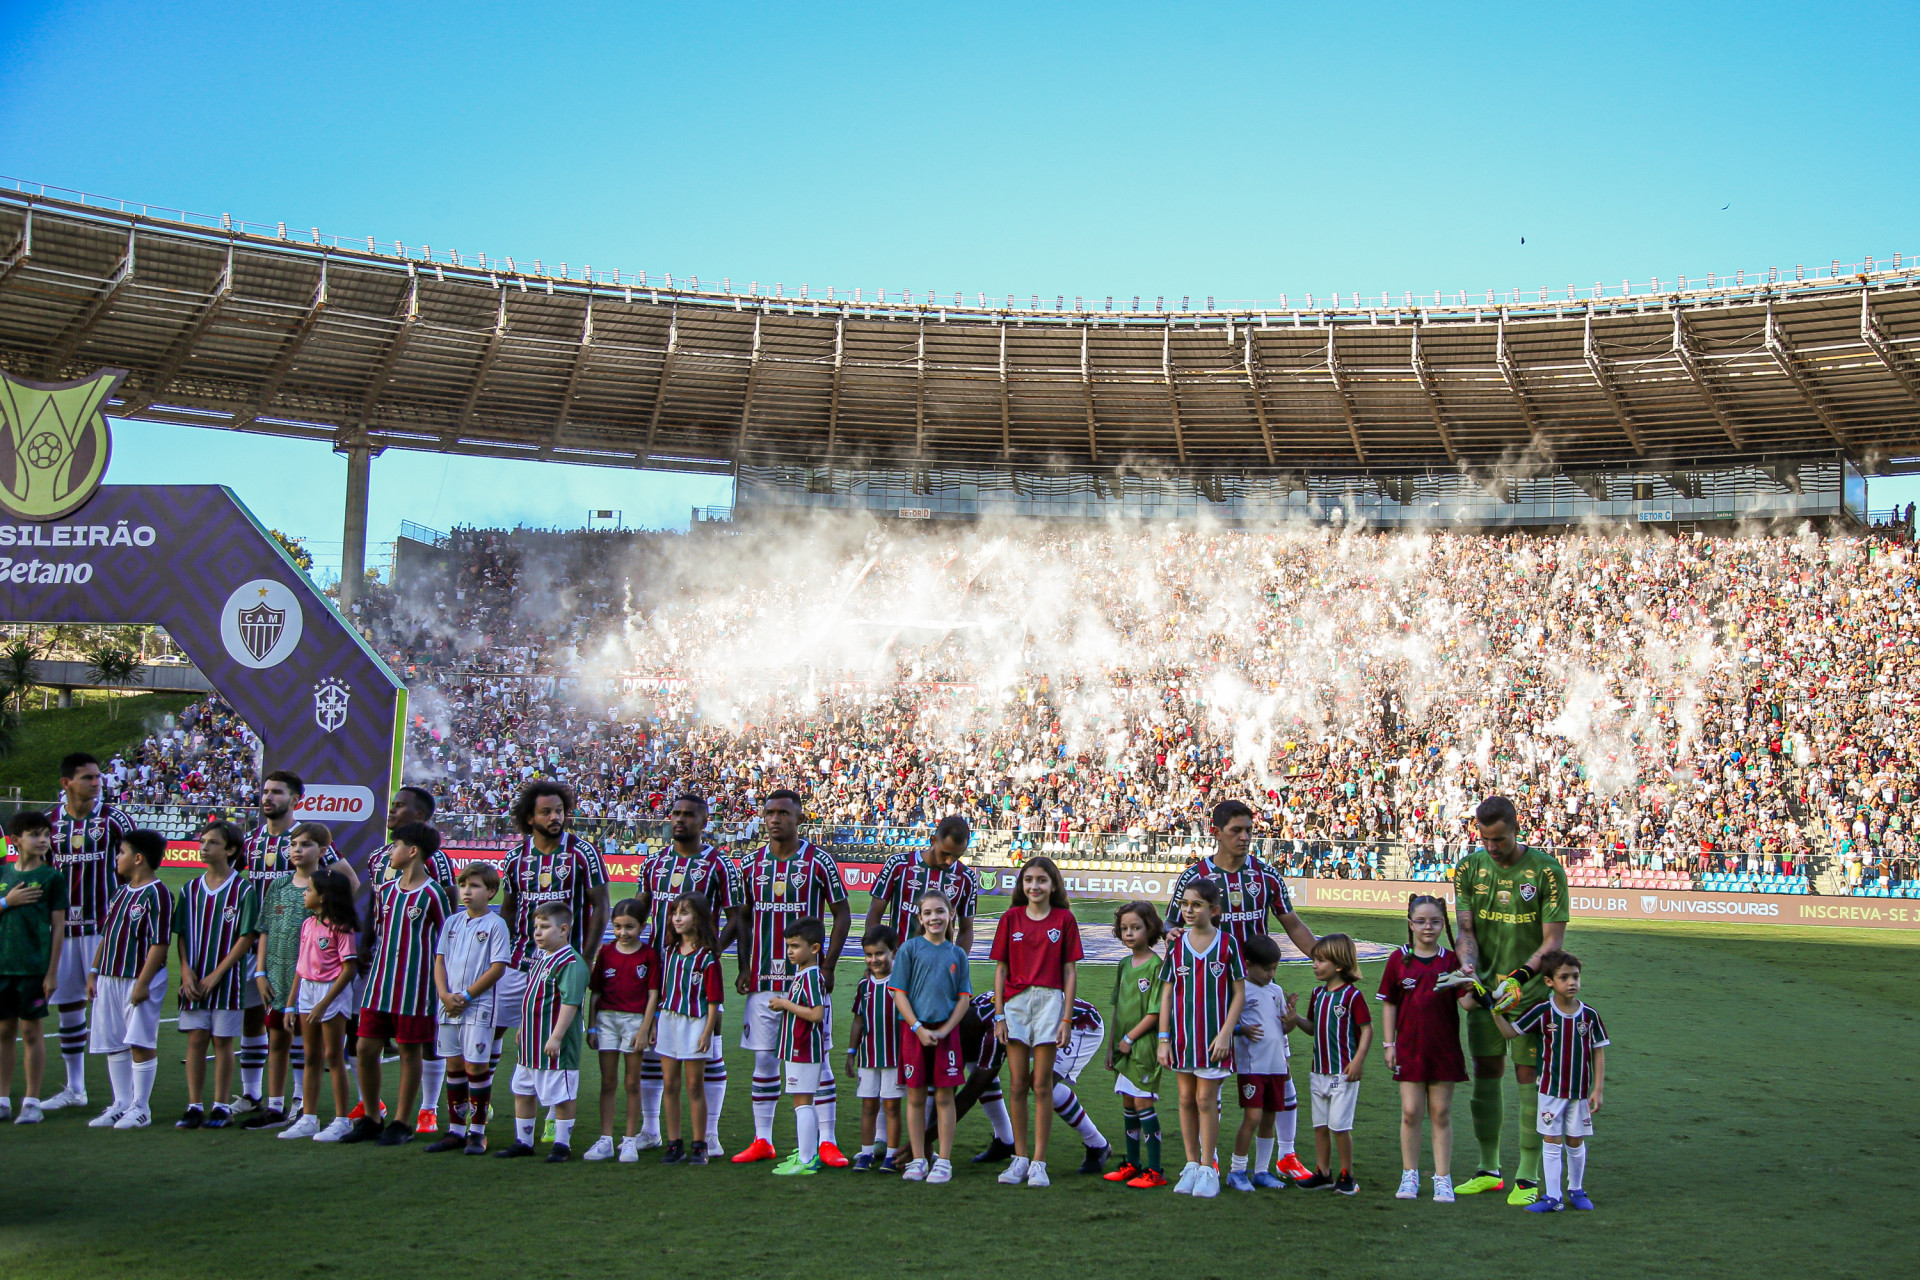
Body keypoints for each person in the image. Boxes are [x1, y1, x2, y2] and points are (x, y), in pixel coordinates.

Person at [1165, 797, 1315, 1172]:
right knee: (1207, 1078)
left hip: (1260, 991)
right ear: (1215, 832)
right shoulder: (1195, 877)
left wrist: (1324, 956)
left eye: (1249, 830)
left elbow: (1291, 922)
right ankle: (1209, 1159)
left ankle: (1287, 1155)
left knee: (1278, 1072)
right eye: (1236, 831)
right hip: (1211, 996)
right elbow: (1170, 923)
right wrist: (1170, 936)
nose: (1245, 837)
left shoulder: (1265, 875)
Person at [1452, 795, 1570, 1206]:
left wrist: (1519, 978)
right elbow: (1465, 930)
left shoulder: (1547, 871)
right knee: (1485, 1072)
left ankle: (1527, 1175)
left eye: (1498, 839)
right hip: (1485, 994)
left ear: (1516, 830)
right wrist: (1468, 970)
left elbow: (1553, 941)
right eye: (1485, 840)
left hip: (1531, 996)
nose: (1492, 847)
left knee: (1528, 1081)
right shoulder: (1468, 868)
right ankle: (1488, 1170)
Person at [732, 791, 851, 1167]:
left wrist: (827, 967)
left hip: (807, 981)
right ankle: (763, 1139)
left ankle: (827, 1141)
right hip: (764, 981)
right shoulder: (750, 865)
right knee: (764, 1062)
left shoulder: (819, 862)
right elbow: (743, 919)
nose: (775, 819)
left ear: (800, 818)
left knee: (820, 1062)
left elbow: (842, 914)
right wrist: (742, 966)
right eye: (769, 813)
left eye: (784, 812)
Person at [631, 794, 741, 1155]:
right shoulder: (654, 863)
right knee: (655, 1050)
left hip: (697, 970)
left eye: (689, 815)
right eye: (675, 813)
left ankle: (709, 1134)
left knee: (709, 1050)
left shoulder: (719, 864)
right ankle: (651, 1130)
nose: (680, 820)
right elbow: (640, 910)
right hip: (660, 969)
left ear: (703, 821)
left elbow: (737, 917)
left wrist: (711, 951)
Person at [497, 781, 609, 1110]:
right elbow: (508, 907)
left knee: (557, 1036)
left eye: (559, 811)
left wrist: (586, 958)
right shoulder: (515, 857)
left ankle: (553, 1114)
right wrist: (501, 953)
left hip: (563, 965)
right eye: (546, 812)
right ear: (530, 818)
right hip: (519, 962)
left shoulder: (582, 852)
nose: (554, 817)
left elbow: (601, 907)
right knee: (493, 1028)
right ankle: (480, 1102)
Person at [242, 771, 349, 1119]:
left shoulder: (308, 836)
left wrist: (326, 918)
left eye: (277, 792)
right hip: (263, 943)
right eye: (266, 791)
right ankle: (253, 1094)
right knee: (256, 1019)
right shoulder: (253, 840)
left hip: (305, 953)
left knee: (299, 1029)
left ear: (295, 800)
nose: (269, 798)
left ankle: (302, 1101)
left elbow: (348, 880)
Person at [343, 822, 453, 1147]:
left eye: (395, 846)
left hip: (415, 987)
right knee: (364, 1047)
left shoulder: (433, 894)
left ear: (412, 851)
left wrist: (441, 983)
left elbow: (447, 941)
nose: (390, 852)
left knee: (409, 1050)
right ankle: (372, 1117)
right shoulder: (387, 891)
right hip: (380, 981)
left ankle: (402, 1122)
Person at [45, 751, 133, 1114]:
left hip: (103, 929)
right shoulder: (49, 822)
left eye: (98, 777)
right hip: (62, 931)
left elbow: (135, 866)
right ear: (67, 783)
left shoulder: (114, 819)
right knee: (68, 1007)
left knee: (110, 1008)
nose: (97, 783)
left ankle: (125, 1097)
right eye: (88, 778)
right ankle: (75, 1087)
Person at [990, 854, 1082, 1187]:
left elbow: (1070, 971)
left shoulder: (1064, 920)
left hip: (1049, 1003)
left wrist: (1067, 1018)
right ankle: (1020, 1158)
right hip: (1015, 1004)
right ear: (1021, 884)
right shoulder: (1011, 918)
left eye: (1041, 880)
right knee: (1016, 1084)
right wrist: (999, 1014)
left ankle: (1039, 1162)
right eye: (1028, 880)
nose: (1034, 886)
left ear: (1053, 884)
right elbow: (1000, 969)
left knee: (1041, 1085)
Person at [1495, 950, 1608, 1213]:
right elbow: (1510, 1032)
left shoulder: (1589, 1015)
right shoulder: (1543, 1012)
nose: (1572, 983)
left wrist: (1598, 1089)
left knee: (1576, 1141)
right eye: (1564, 977)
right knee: (1551, 1140)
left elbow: (1598, 1050)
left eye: (1576, 977)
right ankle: (1553, 1196)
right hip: (1549, 1092)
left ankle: (1577, 1189)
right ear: (1549, 982)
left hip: (1579, 1093)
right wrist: (1496, 1012)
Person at [1157, 877, 1246, 1199]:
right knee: (1185, 1100)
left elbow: (1239, 993)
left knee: (1206, 1101)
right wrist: (1163, 1039)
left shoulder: (1228, 944)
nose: (1189, 910)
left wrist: (1226, 1033)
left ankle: (1209, 1168)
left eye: (1196, 905)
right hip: (1182, 1037)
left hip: (1213, 1040)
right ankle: (1192, 1164)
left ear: (1214, 910)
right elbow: (1167, 994)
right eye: (1184, 904)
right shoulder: (1175, 944)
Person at [373, 785, 454, 1135]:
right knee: (367, 1041)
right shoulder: (380, 857)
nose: (392, 811)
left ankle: (428, 1108)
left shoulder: (438, 864)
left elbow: (448, 915)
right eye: (392, 805)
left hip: (420, 973)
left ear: (420, 816)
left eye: (400, 806)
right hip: (382, 966)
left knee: (423, 1044)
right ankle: (371, 1107)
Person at [1380, 894, 1468, 1202]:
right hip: (1409, 1047)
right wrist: (1389, 1044)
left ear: (1443, 924)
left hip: (1443, 1047)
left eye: (1434, 921)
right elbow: (1389, 1004)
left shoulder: (1450, 960)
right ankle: (1410, 1176)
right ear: (1410, 924)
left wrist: (1471, 982)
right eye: (1421, 921)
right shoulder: (1398, 959)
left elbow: (1467, 1003)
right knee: (1410, 1112)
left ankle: (1442, 1178)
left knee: (1441, 1113)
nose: (1427, 927)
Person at [171, 820, 260, 1129]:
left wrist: (217, 974)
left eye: (212, 842)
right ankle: (194, 1105)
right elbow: (180, 933)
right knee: (196, 1040)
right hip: (194, 980)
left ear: (231, 849)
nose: (204, 847)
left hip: (228, 983)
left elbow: (246, 937)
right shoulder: (189, 889)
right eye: (202, 841)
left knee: (223, 1042)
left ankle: (221, 1106)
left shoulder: (242, 889)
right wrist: (185, 972)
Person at [85, 829, 173, 1131]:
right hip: (109, 976)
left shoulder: (158, 893)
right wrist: (95, 971)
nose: (117, 858)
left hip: (138, 978)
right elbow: (107, 935)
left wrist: (143, 983)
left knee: (138, 1041)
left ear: (138, 858)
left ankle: (141, 1107)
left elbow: (159, 943)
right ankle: (121, 1103)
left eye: (121, 852)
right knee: (114, 1042)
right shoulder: (120, 892)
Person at [244, 823, 328, 1129]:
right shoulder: (278, 885)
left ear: (322, 850)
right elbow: (264, 928)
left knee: (309, 1043)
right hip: (275, 978)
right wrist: (261, 971)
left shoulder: (325, 886)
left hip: (308, 979)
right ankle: (275, 1105)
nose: (296, 849)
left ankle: (304, 1103)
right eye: (293, 844)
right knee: (276, 1039)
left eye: (305, 844)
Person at [427, 862, 511, 1155]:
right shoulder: (452, 922)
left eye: (474, 886)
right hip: (447, 1005)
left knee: (476, 1066)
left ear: (490, 892)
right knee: (453, 1066)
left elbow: (498, 967)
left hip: (478, 1007)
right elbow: (439, 960)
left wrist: (465, 995)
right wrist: (444, 994)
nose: (466, 891)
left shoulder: (495, 924)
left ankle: (477, 1132)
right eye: (464, 885)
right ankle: (455, 1130)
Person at [888, 889, 972, 1184]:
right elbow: (899, 993)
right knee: (915, 1097)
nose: (934, 917)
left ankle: (945, 1161)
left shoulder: (957, 953)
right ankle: (919, 1159)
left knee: (945, 1098)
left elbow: (964, 998)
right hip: (915, 1032)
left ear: (950, 915)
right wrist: (918, 1028)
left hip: (945, 1034)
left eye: (940, 911)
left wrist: (945, 1030)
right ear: (920, 918)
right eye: (928, 913)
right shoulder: (910, 949)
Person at [495, 902, 589, 1163]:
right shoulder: (541, 957)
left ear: (563, 929)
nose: (538, 932)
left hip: (554, 1045)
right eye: (536, 927)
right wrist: (524, 1028)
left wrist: (557, 1036)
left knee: (562, 1094)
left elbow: (570, 1003)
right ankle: (523, 1142)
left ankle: (562, 1145)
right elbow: (533, 998)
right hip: (531, 1042)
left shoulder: (570, 962)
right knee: (523, 1090)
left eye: (545, 927)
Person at [281, 867, 359, 1141]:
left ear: (324, 896)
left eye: (310, 890)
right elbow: (301, 968)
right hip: (307, 991)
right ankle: (309, 1118)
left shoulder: (341, 926)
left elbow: (348, 968)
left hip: (331, 992)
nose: (305, 893)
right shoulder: (308, 924)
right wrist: (291, 1004)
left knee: (333, 1057)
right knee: (310, 1056)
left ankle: (342, 1120)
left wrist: (324, 1003)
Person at [0, 810, 67, 1124]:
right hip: (2, 967)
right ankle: (2, 1099)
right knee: (3, 1032)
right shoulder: (3, 876)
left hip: (33, 968)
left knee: (30, 1031)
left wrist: (52, 972)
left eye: (45, 834)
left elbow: (58, 927)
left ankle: (31, 1101)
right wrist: (6, 902)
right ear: (16, 840)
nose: (42, 840)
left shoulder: (52, 878)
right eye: (34, 834)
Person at [1293, 933, 1372, 1195]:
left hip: (1343, 1073)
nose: (1314, 964)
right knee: (1320, 1126)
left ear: (1339, 964)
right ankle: (1323, 1173)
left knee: (1339, 1126)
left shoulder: (1352, 996)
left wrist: (1358, 1061)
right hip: (1319, 1072)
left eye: (1320, 960)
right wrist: (1293, 1018)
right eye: (1314, 959)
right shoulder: (1317, 994)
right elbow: (1312, 1028)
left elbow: (1367, 1030)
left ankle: (1347, 1175)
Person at [583, 898, 659, 1163]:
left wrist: (645, 1027)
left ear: (642, 926)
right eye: (617, 927)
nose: (623, 933)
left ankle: (629, 1141)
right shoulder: (605, 952)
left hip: (635, 1022)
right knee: (608, 1082)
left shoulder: (648, 955)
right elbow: (596, 993)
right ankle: (605, 1139)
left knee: (631, 1082)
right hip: (606, 1021)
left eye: (629, 927)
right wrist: (592, 1026)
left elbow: (653, 994)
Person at [654, 892, 725, 1166]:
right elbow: (661, 992)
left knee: (695, 1085)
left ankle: (699, 1144)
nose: (677, 918)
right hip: (669, 1021)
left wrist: (707, 1031)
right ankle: (674, 1144)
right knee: (670, 1084)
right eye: (675, 913)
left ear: (699, 917)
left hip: (694, 1023)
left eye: (684, 912)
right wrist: (652, 1024)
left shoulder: (707, 958)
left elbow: (714, 999)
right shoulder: (669, 952)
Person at [1103, 900, 1164, 1188]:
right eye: (1124, 928)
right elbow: (1117, 1007)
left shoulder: (1156, 966)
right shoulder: (1124, 964)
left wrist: (1130, 1038)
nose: (1129, 933)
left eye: (1136, 928)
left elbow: (1156, 1011)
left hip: (1143, 1047)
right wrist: (1111, 1046)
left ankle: (1155, 1170)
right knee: (1128, 1102)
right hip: (1123, 1047)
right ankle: (1132, 1163)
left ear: (1149, 929)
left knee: (1142, 1102)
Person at [1226, 932, 1293, 1192]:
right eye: (1266, 969)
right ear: (1248, 964)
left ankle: (1262, 1171)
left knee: (1269, 1117)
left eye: (1274, 968)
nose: (1270, 974)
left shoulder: (1276, 990)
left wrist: (1289, 1023)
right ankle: (1237, 1170)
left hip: (1276, 1066)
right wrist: (1241, 1029)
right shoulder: (1240, 990)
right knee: (1252, 1117)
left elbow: (1282, 1028)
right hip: (1252, 1066)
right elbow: (1226, 1024)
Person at [767, 917, 831, 1176]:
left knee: (802, 1102)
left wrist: (784, 1004)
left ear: (814, 948)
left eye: (795, 946)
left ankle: (806, 1159)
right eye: (788, 946)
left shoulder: (812, 976)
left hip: (803, 1049)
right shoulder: (803, 974)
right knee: (804, 1101)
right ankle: (808, 1154)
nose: (790, 952)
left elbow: (816, 1014)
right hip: (797, 1048)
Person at [866, 814, 982, 952]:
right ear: (933, 840)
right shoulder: (898, 865)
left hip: (939, 968)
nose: (949, 861)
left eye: (956, 856)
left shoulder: (966, 877)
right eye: (945, 854)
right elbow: (874, 913)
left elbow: (966, 929)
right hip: (897, 964)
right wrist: (876, 954)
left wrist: (958, 964)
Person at [846, 925, 904, 1172]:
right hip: (868, 1057)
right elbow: (858, 1019)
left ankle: (891, 1154)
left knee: (891, 1106)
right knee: (868, 1105)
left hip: (895, 1056)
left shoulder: (901, 982)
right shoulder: (864, 986)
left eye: (879, 954)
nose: (873, 960)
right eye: (868, 955)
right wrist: (851, 1052)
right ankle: (867, 1152)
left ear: (893, 951)